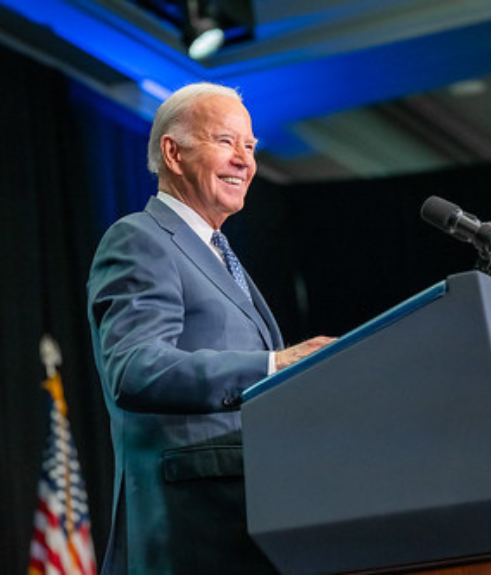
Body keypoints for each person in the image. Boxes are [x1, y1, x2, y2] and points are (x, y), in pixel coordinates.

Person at [87, 82, 334, 574]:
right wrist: (273, 365)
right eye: (226, 141)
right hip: (189, 532)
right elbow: (135, 368)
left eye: (250, 146)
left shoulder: (220, 255)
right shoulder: (140, 238)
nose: (245, 160)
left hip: (251, 521)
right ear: (173, 152)